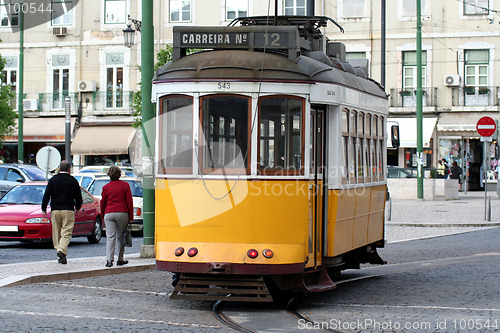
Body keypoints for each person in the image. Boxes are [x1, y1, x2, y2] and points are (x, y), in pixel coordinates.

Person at [41, 160, 82, 265]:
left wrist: (44, 208)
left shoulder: (53, 180)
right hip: (68, 209)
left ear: (59, 168)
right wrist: (78, 206)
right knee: (66, 232)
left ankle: (60, 254)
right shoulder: (73, 181)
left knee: (56, 232)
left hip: (55, 209)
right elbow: (78, 196)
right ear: (69, 169)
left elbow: (47, 195)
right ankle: (62, 250)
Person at [100, 165, 133, 267]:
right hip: (123, 213)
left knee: (110, 237)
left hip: (109, 213)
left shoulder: (106, 187)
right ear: (119, 175)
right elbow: (129, 202)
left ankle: (109, 260)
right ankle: (120, 258)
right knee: (121, 236)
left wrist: (102, 214)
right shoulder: (125, 185)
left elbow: (103, 202)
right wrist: (131, 217)